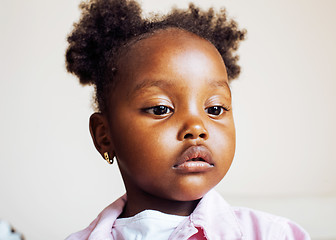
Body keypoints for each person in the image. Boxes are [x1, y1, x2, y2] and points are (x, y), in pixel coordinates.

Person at [65, 0, 310, 239]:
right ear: (104, 135)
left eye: (214, 109)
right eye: (161, 109)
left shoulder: (274, 234)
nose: (197, 127)